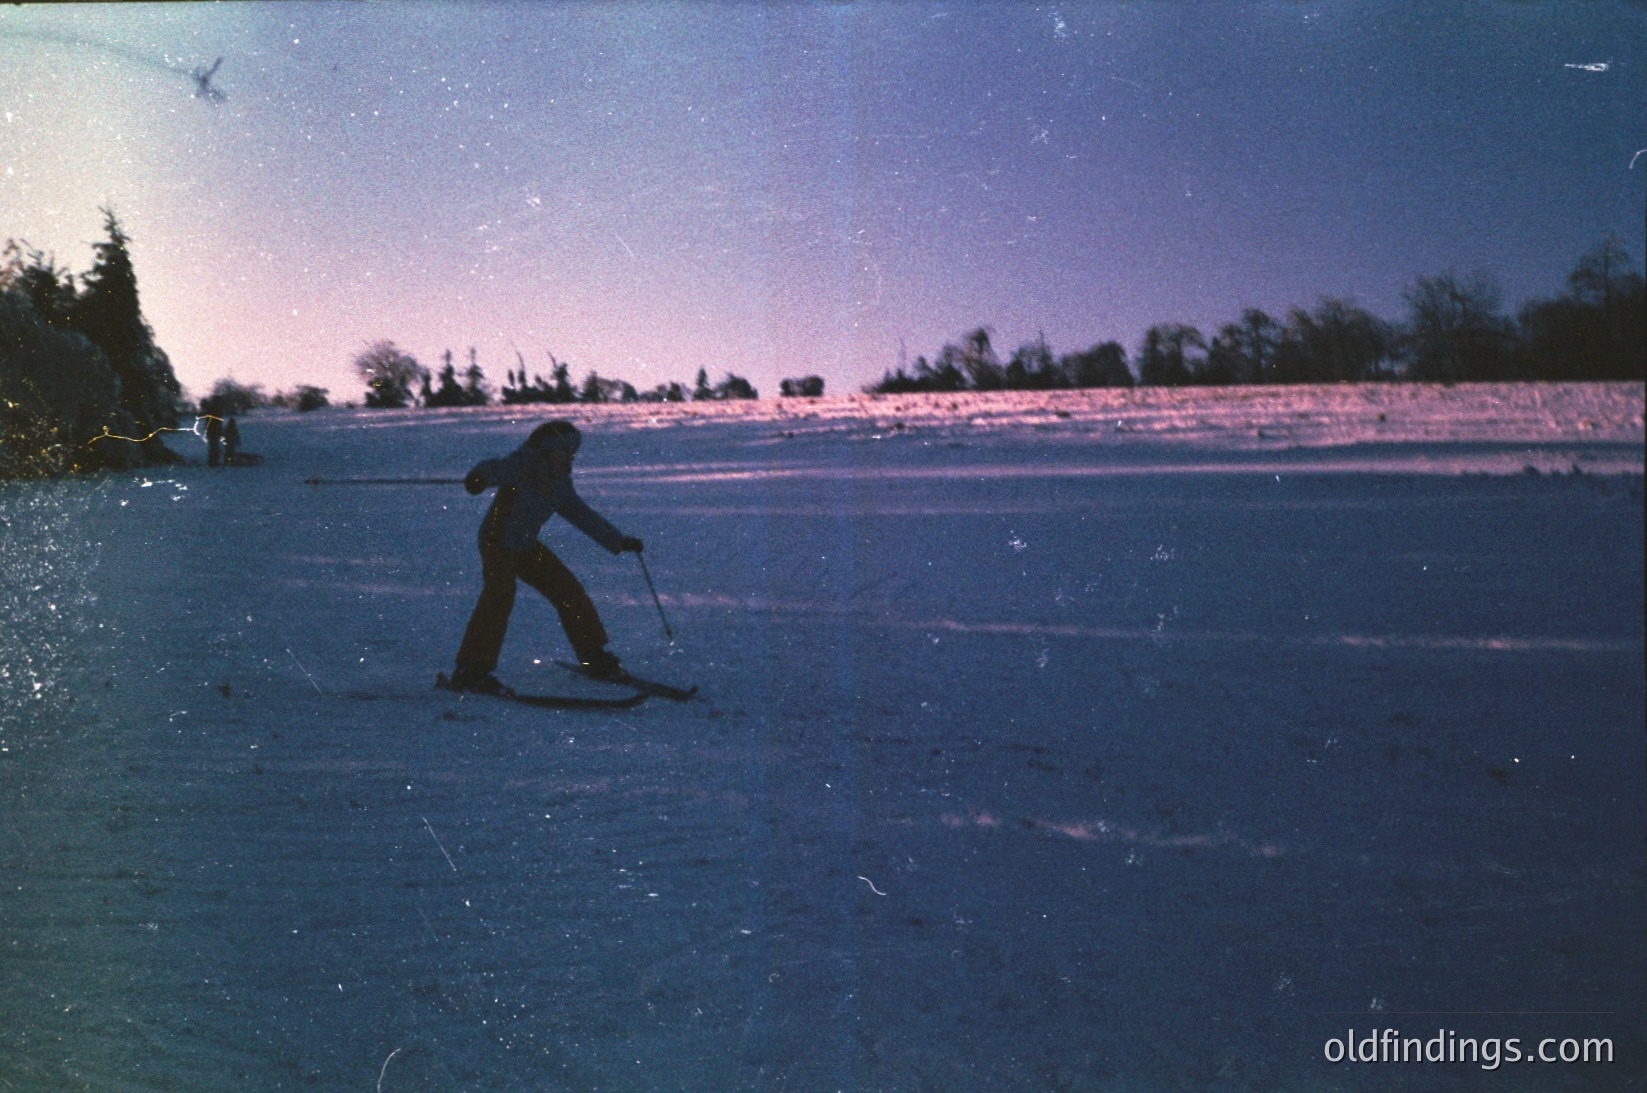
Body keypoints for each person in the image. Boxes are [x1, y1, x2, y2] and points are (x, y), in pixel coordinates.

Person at [448, 420, 643, 695]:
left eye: (572, 452)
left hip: (525, 545)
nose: (569, 457)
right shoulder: (523, 464)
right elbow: (494, 469)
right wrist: (478, 478)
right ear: (546, 451)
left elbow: (580, 514)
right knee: (499, 595)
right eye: (564, 450)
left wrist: (618, 540)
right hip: (498, 540)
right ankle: (471, 670)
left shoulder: (559, 482)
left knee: (568, 591)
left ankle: (595, 659)